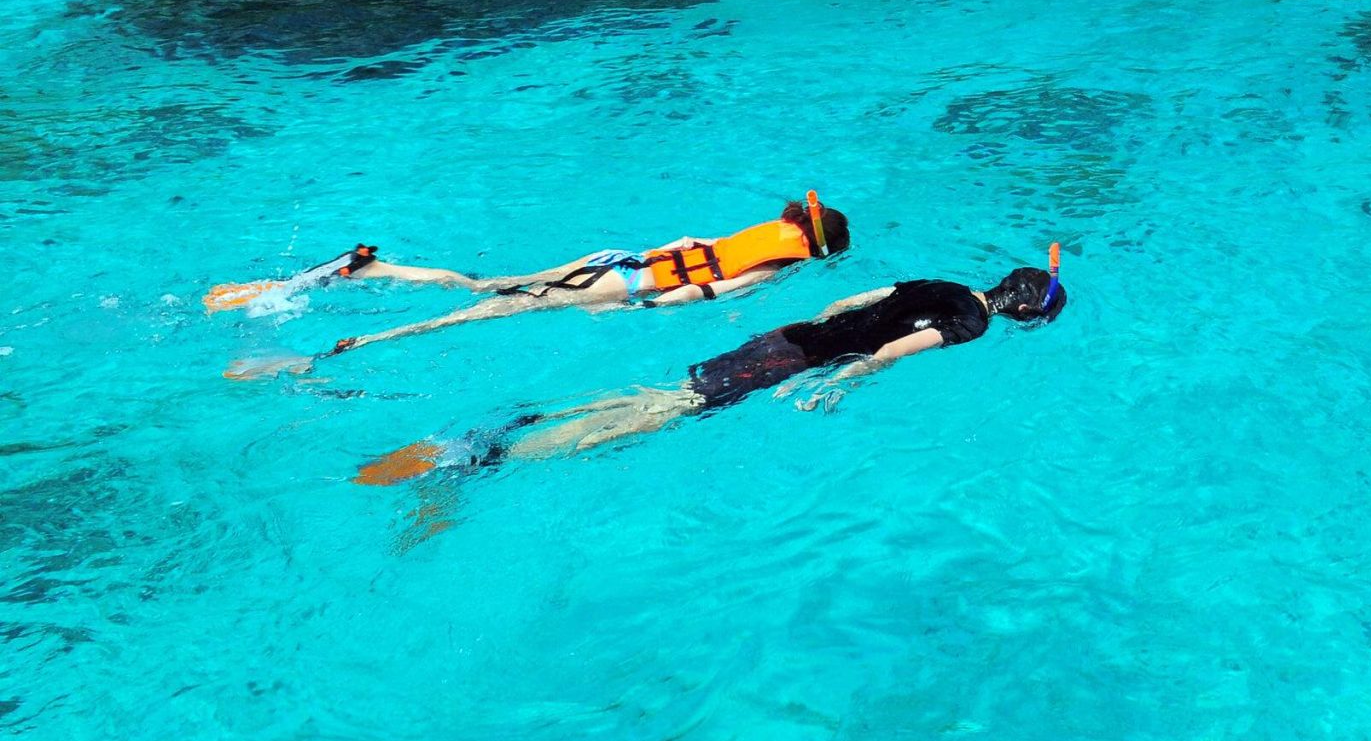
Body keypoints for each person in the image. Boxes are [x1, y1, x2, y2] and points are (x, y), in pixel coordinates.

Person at [355, 254, 1068, 484]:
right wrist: (834, 381)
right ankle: (485, 454)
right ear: (1022, 315)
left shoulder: (944, 284)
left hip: (789, 332)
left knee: (669, 391)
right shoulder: (970, 326)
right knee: (659, 414)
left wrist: (815, 337)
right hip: (801, 357)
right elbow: (890, 351)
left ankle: (520, 424)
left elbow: (859, 300)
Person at [221, 193, 849, 377]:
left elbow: (684, 245)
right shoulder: (772, 267)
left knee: (483, 284)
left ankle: (368, 268)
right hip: (621, 290)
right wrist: (642, 315)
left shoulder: (762, 229)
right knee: (465, 318)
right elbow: (700, 292)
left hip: (613, 257)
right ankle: (329, 354)